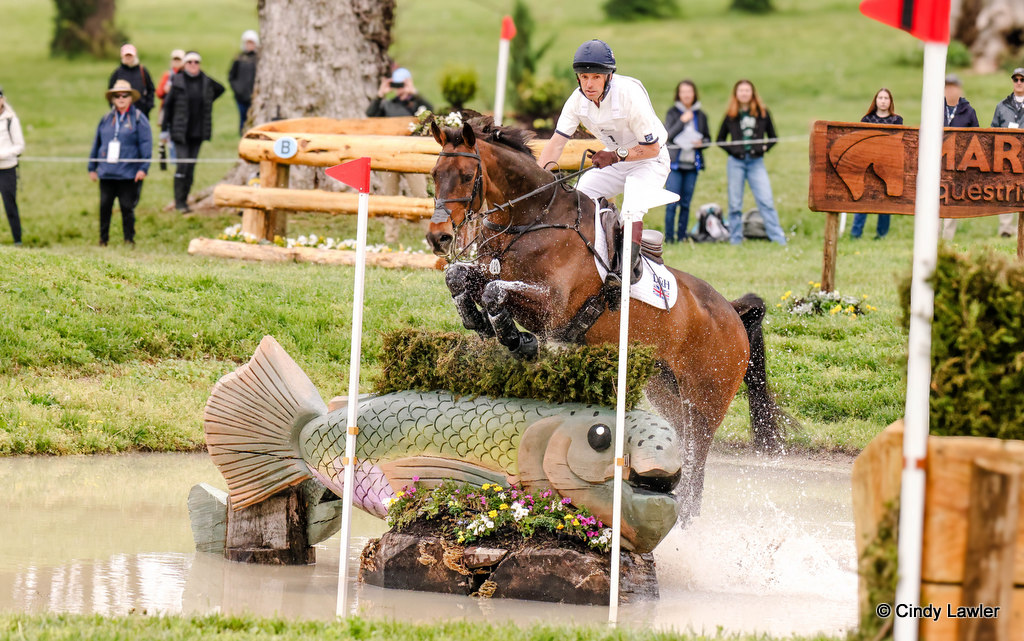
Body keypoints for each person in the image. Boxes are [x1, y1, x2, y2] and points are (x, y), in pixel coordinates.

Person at [536, 39, 669, 283]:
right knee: (580, 195)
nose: (589, 84)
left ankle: (625, 273)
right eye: (584, 77)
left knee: (632, 207)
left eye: (596, 77)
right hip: (616, 161)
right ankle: (585, 261)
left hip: (651, 161)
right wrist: (539, 182)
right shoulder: (576, 101)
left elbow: (652, 149)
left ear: (608, 77)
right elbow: (556, 143)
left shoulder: (629, 95)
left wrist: (616, 154)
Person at [716, 79, 786, 246]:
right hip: (736, 163)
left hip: (756, 163)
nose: (744, 93)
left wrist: (763, 148)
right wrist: (734, 150)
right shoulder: (731, 115)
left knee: (766, 201)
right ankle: (735, 240)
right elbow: (719, 139)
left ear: (752, 93)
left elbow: (773, 137)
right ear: (736, 94)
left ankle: (778, 239)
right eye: (741, 91)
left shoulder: (763, 113)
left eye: (747, 90)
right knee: (735, 204)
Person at [87, 80, 151, 246]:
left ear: (130, 98)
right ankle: (103, 239)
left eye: (125, 95)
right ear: (113, 99)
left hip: (128, 173)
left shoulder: (138, 119)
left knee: (127, 207)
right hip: (107, 172)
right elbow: (97, 142)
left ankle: (129, 239)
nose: (121, 98)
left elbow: (146, 144)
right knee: (104, 206)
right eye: (117, 96)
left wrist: (143, 168)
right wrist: (92, 166)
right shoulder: (107, 119)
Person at [163, 51, 225, 213]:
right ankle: (179, 201)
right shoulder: (177, 81)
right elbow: (167, 107)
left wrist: (208, 100)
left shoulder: (205, 81)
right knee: (182, 165)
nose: (193, 65)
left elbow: (221, 88)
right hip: (180, 132)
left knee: (190, 167)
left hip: (197, 132)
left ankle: (185, 199)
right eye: (189, 62)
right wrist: (164, 129)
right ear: (184, 64)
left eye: (196, 62)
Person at [851, 88, 903, 240]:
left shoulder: (897, 120)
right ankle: (856, 233)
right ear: (875, 100)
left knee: (885, 200)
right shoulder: (866, 120)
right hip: (868, 165)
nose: (883, 100)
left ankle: (881, 234)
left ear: (890, 101)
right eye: (880, 97)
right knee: (863, 198)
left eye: (886, 98)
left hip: (887, 165)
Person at [662, 79, 710, 243]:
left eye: (689, 91)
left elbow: (708, 138)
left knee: (686, 203)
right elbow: (667, 135)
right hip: (675, 165)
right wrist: (682, 121)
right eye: (683, 92)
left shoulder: (701, 115)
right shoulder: (672, 113)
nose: (687, 95)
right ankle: (669, 238)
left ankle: (682, 236)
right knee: (672, 203)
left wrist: (701, 143)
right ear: (679, 94)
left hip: (692, 165)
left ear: (694, 93)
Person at [941, 74, 980, 241]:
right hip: (938, 161)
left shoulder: (968, 111)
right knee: (935, 199)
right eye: (947, 86)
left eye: (953, 86)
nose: (950, 90)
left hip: (958, 163)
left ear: (960, 89)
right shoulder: (934, 107)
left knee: (952, 198)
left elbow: (977, 137)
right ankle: (931, 237)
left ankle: (947, 239)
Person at [990, 67, 1024, 238]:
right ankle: (1005, 228)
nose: (1019, 83)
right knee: (1005, 190)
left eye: (1022, 80)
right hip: (1006, 155)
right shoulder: (1002, 106)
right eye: (1016, 79)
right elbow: (993, 128)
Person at [0, 87, 24, 246]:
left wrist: (3, 155)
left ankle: (17, 240)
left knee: (10, 205)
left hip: (7, 168)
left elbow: (19, 146)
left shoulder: (10, 119)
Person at [108, 44, 156, 121]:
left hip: (141, 111)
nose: (128, 57)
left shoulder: (142, 71)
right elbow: (111, 91)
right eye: (126, 55)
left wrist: (148, 106)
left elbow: (151, 89)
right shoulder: (117, 73)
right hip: (122, 113)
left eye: (130, 55)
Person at [365, 67, 432, 117]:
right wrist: (380, 95)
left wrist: (414, 93)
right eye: (396, 85)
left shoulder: (417, 103)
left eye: (402, 85)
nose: (400, 89)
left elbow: (430, 111)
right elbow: (370, 114)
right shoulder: (388, 105)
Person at [156, 49, 185, 164]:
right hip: (168, 110)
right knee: (168, 135)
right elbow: (158, 93)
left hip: (180, 110)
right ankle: (173, 160)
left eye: (179, 60)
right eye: (175, 60)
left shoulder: (185, 76)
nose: (176, 63)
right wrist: (165, 90)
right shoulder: (167, 75)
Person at [228, 31, 259, 135]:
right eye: (248, 43)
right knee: (243, 119)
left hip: (254, 96)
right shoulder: (239, 58)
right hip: (241, 97)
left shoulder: (258, 59)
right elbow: (231, 76)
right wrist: (238, 90)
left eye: (252, 43)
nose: (250, 45)